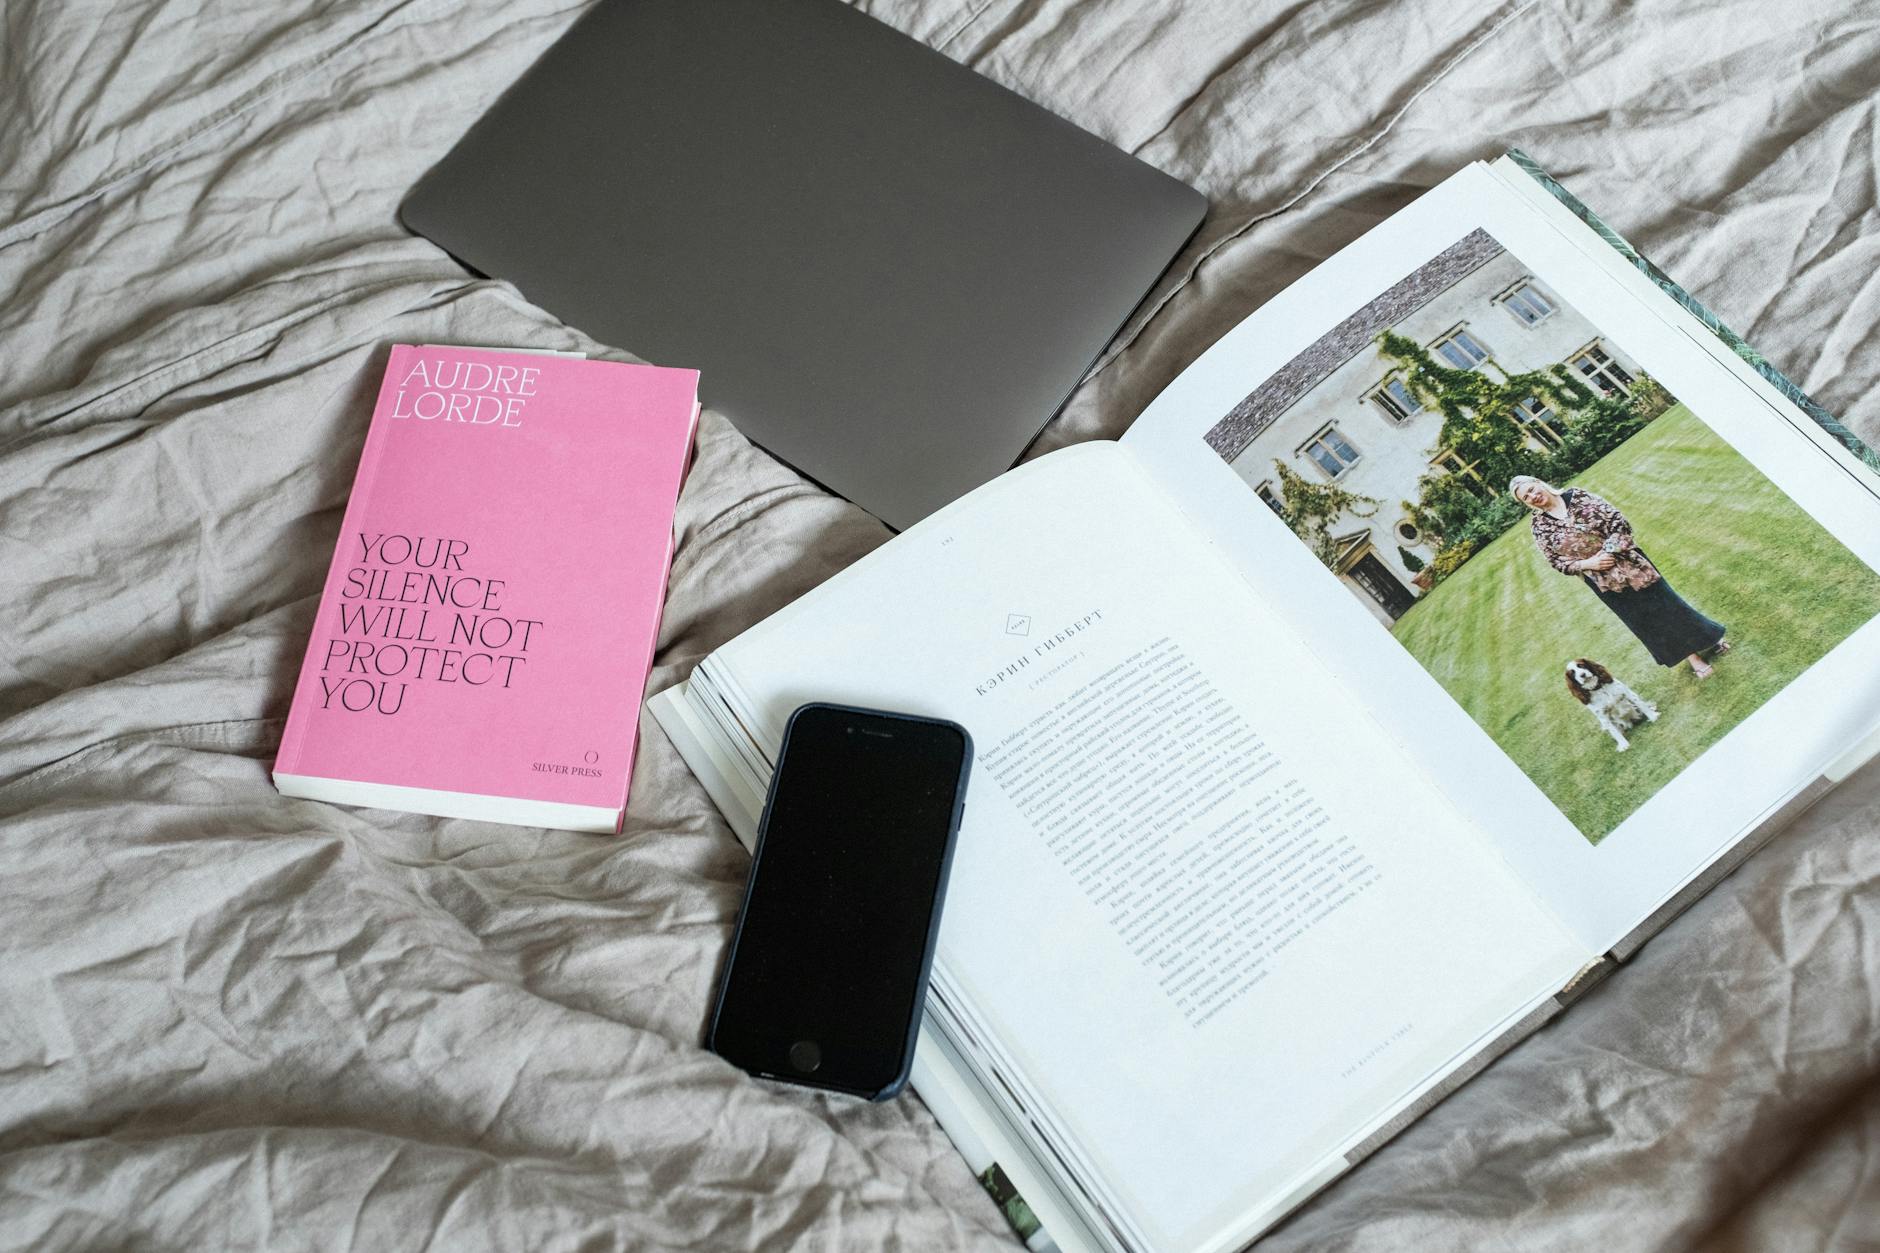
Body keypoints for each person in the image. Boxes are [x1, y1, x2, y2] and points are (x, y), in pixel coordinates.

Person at [1510, 475, 1728, 677]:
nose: (1533, 496)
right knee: (1647, 620)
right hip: (1602, 581)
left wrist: (1609, 551)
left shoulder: (1579, 496)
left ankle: (1709, 639)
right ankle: (1693, 658)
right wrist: (1589, 563)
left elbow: (1618, 521)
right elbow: (1556, 561)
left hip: (1629, 562)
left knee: (1669, 606)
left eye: (1531, 489)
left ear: (1538, 483)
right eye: (1526, 497)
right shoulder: (1539, 527)